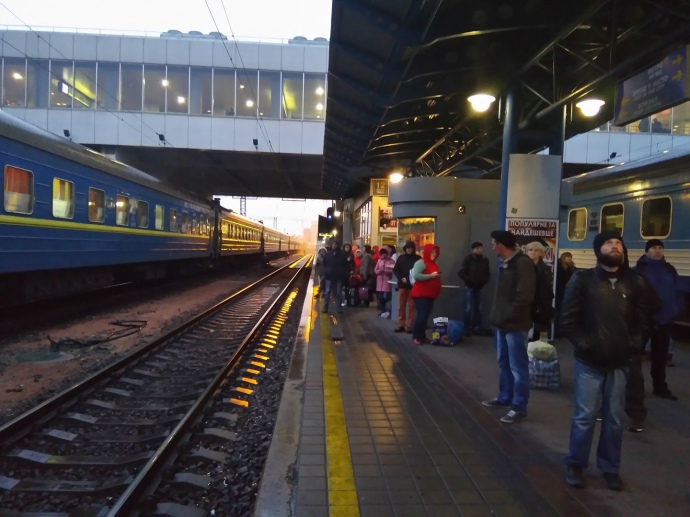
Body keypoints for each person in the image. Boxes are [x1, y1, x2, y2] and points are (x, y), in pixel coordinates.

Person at [560, 231, 650, 491]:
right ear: (598, 250)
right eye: (609, 243)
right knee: (585, 416)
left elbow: (643, 320)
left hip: (620, 362)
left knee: (614, 419)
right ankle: (575, 464)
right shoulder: (582, 280)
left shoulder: (635, 282)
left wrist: (633, 344)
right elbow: (568, 319)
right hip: (589, 362)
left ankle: (610, 468)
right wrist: (587, 345)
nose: (615, 246)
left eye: (618, 243)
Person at [482, 230, 536, 424]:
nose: (492, 247)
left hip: (515, 325)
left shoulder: (522, 264)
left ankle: (519, 407)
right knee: (504, 362)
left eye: (493, 243)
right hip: (503, 323)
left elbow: (524, 297)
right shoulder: (506, 264)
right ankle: (505, 396)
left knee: (518, 366)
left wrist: (508, 317)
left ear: (501, 245)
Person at [633, 239, 679, 401]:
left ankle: (660, 387)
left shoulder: (670, 269)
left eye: (660, 248)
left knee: (660, 357)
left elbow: (676, 290)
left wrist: (675, 309)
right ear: (647, 251)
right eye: (653, 248)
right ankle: (635, 387)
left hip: (664, 320)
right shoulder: (639, 270)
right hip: (643, 321)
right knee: (635, 356)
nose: (657, 250)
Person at [409, 244, 442, 345]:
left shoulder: (433, 263)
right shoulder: (420, 263)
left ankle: (422, 336)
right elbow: (416, 276)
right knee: (421, 316)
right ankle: (416, 336)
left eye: (435, 252)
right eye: (432, 252)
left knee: (425, 316)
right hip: (421, 294)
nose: (434, 254)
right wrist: (431, 276)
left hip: (429, 294)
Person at [458, 241, 490, 336]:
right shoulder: (468, 259)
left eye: (480, 248)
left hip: (479, 287)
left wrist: (483, 281)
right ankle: (467, 328)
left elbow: (487, 273)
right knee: (468, 308)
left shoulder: (485, 260)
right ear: (473, 250)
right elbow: (461, 272)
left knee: (478, 308)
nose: (479, 250)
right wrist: (469, 280)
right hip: (469, 286)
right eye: (477, 248)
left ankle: (477, 327)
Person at [525, 241, 553, 341]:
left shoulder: (545, 269)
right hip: (526, 302)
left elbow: (547, 287)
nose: (533, 252)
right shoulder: (523, 267)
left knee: (540, 335)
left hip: (541, 304)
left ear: (541, 253)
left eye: (536, 250)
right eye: (530, 250)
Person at [392, 241, 421, 333]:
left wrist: (408, 279)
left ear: (413, 249)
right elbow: (396, 269)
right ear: (405, 249)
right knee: (401, 306)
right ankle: (401, 324)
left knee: (412, 306)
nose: (409, 250)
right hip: (402, 285)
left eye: (410, 248)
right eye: (407, 248)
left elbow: (419, 271)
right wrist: (401, 278)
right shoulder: (401, 258)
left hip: (413, 285)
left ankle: (410, 325)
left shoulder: (418, 259)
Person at [321, 241, 349, 314]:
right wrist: (326, 271)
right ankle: (325, 307)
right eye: (333, 244)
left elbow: (345, 265)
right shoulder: (328, 254)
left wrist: (342, 273)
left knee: (338, 292)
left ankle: (339, 308)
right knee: (327, 292)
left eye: (335, 244)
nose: (334, 245)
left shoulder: (341, 254)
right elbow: (324, 263)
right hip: (329, 276)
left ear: (337, 245)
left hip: (338, 276)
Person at [374, 246, 395, 318]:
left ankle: (388, 311)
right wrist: (379, 272)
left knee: (387, 297)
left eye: (385, 253)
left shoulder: (392, 261)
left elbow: (393, 270)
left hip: (387, 282)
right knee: (381, 298)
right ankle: (382, 311)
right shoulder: (379, 261)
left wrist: (386, 271)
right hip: (380, 282)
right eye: (382, 253)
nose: (384, 255)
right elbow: (375, 269)